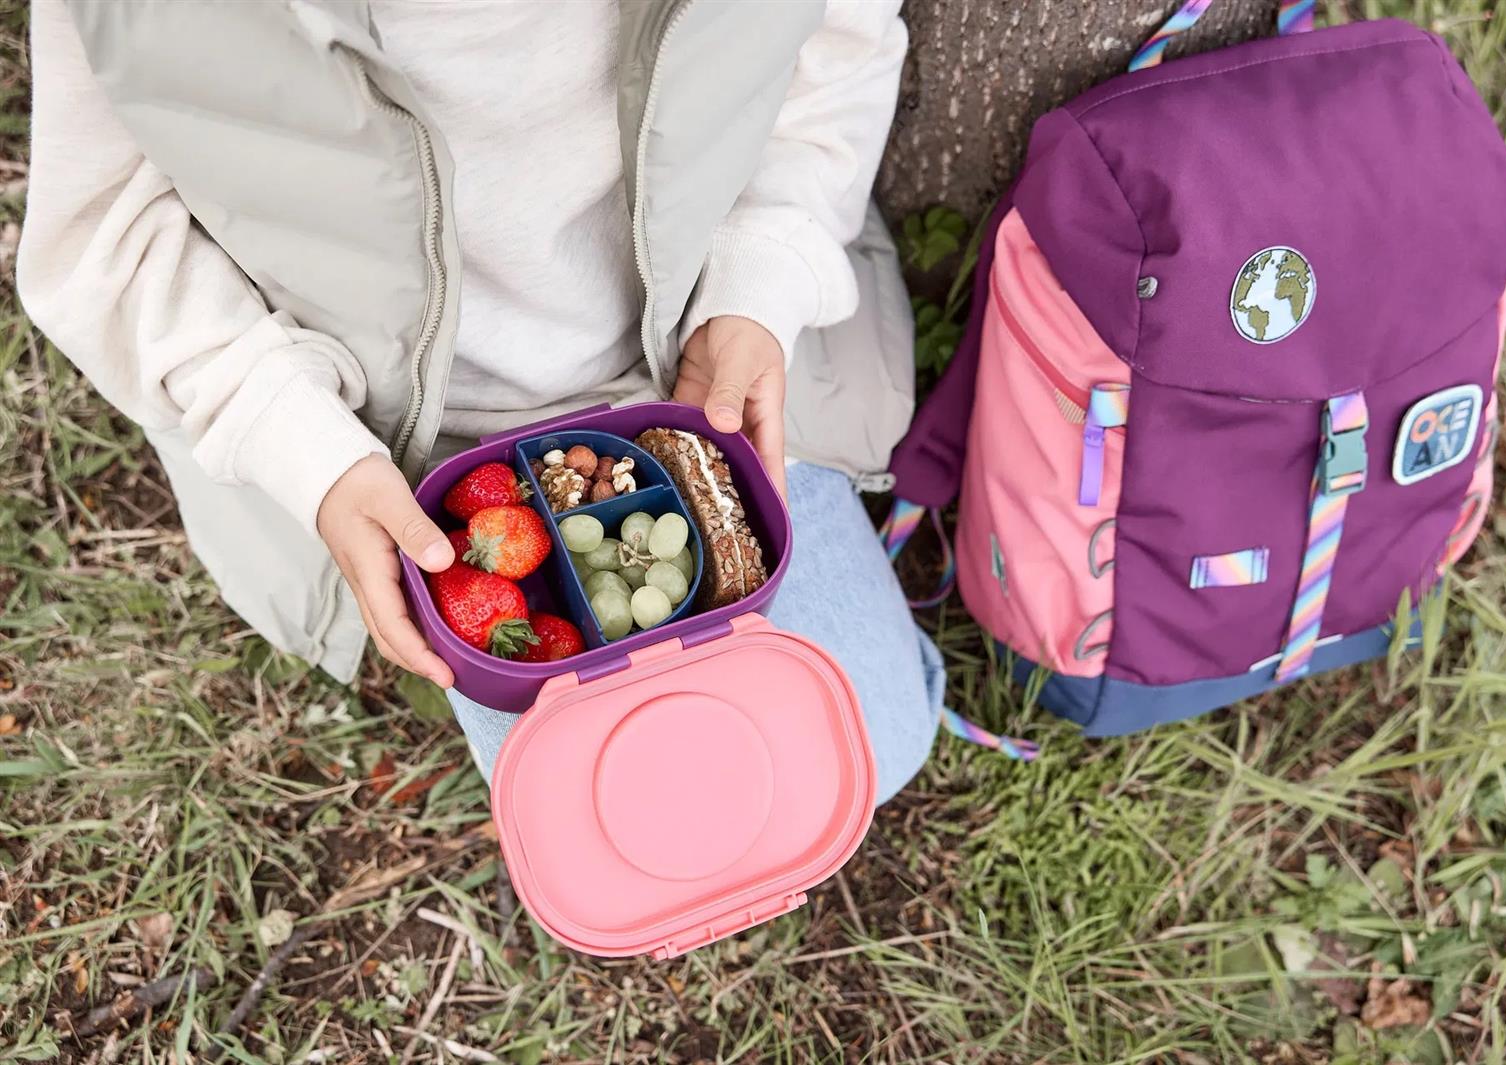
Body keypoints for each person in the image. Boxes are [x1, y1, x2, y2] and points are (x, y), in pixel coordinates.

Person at [19, 0, 940, 802]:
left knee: (875, 746)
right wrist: (305, 447)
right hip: (395, 427)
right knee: (646, 789)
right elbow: (108, 233)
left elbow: (837, 39)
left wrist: (760, 284)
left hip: (692, 349)